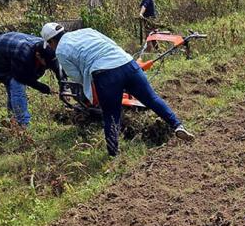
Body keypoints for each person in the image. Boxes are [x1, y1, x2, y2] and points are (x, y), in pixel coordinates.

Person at [41, 23, 194, 157]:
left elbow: (76, 76)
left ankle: (113, 153)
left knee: (111, 115)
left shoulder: (60, 51)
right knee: (152, 99)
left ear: (51, 41)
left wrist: (91, 85)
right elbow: (111, 43)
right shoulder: (86, 31)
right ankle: (177, 125)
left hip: (105, 74)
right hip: (127, 62)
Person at [0, 32, 59, 127]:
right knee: (16, 84)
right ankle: (22, 124)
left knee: (16, 83)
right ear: (38, 55)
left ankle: (12, 119)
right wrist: (44, 88)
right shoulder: (23, 54)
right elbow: (25, 79)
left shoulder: (47, 48)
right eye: (46, 63)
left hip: (10, 50)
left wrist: (63, 86)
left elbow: (56, 68)